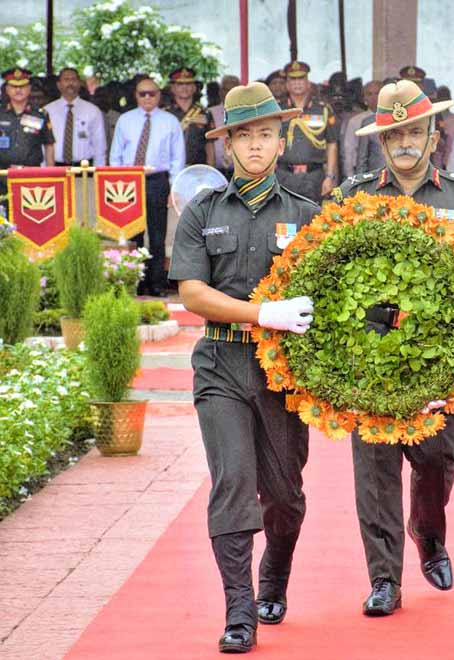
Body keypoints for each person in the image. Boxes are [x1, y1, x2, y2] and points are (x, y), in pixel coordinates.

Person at [170, 81, 319, 654]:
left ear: (280, 142)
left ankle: (273, 578)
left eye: (264, 134)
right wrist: (262, 312)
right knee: (232, 482)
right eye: (243, 136)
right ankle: (239, 611)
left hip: (284, 371)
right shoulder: (203, 212)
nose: (254, 145)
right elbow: (193, 294)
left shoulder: (309, 216)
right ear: (227, 144)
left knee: (284, 494)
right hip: (222, 362)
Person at [332, 79, 454, 618]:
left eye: (415, 131)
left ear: (435, 136)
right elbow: (333, 277)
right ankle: (384, 578)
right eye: (394, 135)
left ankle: (429, 531)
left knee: (437, 458)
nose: (405, 143)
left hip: (440, 358)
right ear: (381, 141)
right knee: (373, 468)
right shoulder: (355, 198)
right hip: (370, 351)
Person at [109, 75, 185, 297]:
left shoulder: (170, 121)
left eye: (152, 93)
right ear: (136, 96)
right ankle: (136, 281)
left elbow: (177, 158)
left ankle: (157, 284)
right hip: (128, 181)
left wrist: (174, 187)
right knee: (134, 234)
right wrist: (117, 184)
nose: (147, 98)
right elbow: (116, 155)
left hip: (157, 180)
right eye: (143, 94)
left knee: (158, 235)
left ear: (159, 95)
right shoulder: (125, 120)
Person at [277, 61, 339, 203]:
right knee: (285, 222)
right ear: (287, 84)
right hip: (284, 175)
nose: (297, 83)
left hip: (314, 176)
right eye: (293, 79)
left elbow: (332, 144)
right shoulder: (278, 110)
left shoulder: (323, 110)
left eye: (301, 79)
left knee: (312, 220)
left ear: (308, 82)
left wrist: (330, 177)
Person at [0, 67, 55, 203]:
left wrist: (51, 175)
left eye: (23, 86)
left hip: (32, 176)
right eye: (13, 86)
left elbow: (49, 145)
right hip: (2, 176)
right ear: (6, 89)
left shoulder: (41, 114)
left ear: (29, 88)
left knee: (31, 216)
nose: (18, 90)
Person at [44, 67, 107, 167]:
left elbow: (99, 146)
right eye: (66, 80)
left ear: (79, 83)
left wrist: (98, 171)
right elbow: (43, 146)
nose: (70, 83)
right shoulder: (48, 111)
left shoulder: (93, 111)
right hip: (55, 167)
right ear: (59, 85)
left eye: (74, 80)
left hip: (84, 168)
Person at [167, 67, 216, 167]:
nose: (184, 88)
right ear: (172, 88)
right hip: (171, 168)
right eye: (180, 84)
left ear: (194, 87)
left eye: (188, 84)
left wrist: (211, 169)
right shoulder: (165, 113)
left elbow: (210, 144)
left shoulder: (205, 113)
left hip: (198, 169)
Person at [341, 79, 380, 175]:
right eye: (369, 94)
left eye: (377, 93)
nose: (374, 97)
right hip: (363, 172)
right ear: (364, 98)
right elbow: (349, 151)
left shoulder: (395, 118)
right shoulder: (355, 121)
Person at [210, 75, 240, 177]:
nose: (229, 93)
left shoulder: (248, 114)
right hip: (216, 172)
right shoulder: (210, 113)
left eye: (233, 90)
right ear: (220, 92)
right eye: (226, 90)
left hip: (241, 173)